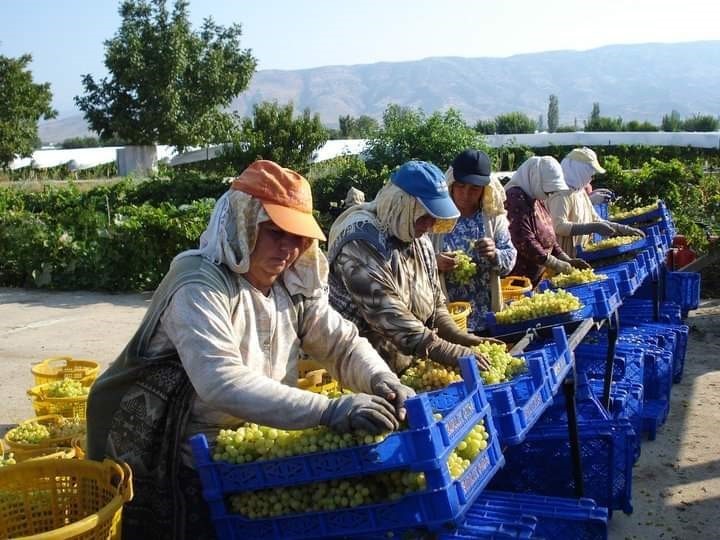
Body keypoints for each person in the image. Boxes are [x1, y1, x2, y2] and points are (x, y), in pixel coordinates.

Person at [86, 160, 415, 540]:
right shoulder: (199, 283)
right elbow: (221, 381)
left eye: (297, 237)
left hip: (234, 445)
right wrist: (329, 410)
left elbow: (341, 344)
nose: (288, 249)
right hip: (168, 448)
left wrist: (382, 380)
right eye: (275, 232)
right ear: (243, 223)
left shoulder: (289, 285)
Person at [328, 160, 496, 376]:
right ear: (403, 205)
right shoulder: (360, 242)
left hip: (406, 358)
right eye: (425, 216)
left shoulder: (415, 236)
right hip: (362, 367)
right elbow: (389, 317)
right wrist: (450, 351)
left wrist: (460, 338)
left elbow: (435, 303)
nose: (430, 224)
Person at [432, 149, 517, 332]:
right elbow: (414, 261)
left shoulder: (492, 218)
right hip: (449, 319)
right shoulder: (435, 219)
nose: (465, 194)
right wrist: (434, 262)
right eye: (461, 186)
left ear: (484, 190)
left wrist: (495, 254)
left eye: (474, 189)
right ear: (452, 185)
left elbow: (509, 258)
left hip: (487, 317)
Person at [504, 156, 591, 286]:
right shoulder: (514, 197)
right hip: (518, 282)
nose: (549, 195)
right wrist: (554, 263)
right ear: (535, 179)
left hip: (535, 279)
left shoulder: (536, 198)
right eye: (548, 190)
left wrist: (564, 257)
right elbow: (524, 239)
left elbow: (547, 233)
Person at [547, 147, 645, 256]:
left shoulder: (580, 192)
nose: (591, 178)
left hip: (580, 253)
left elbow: (595, 219)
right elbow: (559, 226)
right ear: (580, 170)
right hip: (564, 257)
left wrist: (623, 230)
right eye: (590, 173)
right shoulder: (561, 194)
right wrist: (592, 227)